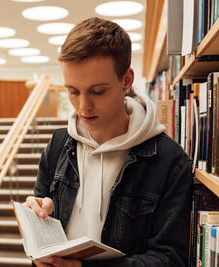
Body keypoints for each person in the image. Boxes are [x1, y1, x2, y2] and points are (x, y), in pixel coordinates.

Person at [26, 17, 193, 267]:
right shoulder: (59, 143)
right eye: (73, 91)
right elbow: (39, 243)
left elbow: (170, 259)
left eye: (98, 91)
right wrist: (37, 220)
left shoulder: (170, 161)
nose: (83, 106)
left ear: (126, 81)